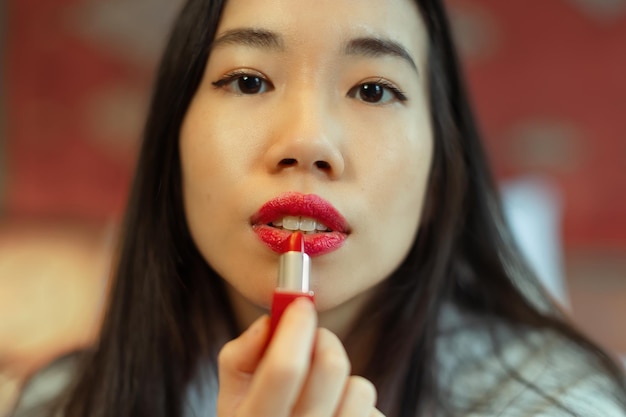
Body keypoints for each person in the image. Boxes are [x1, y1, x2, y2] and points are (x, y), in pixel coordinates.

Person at [12, 0, 626, 416]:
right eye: (249, 80)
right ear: (174, 146)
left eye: (373, 89)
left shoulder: (558, 402)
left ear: (439, 178)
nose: (307, 141)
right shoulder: (60, 402)